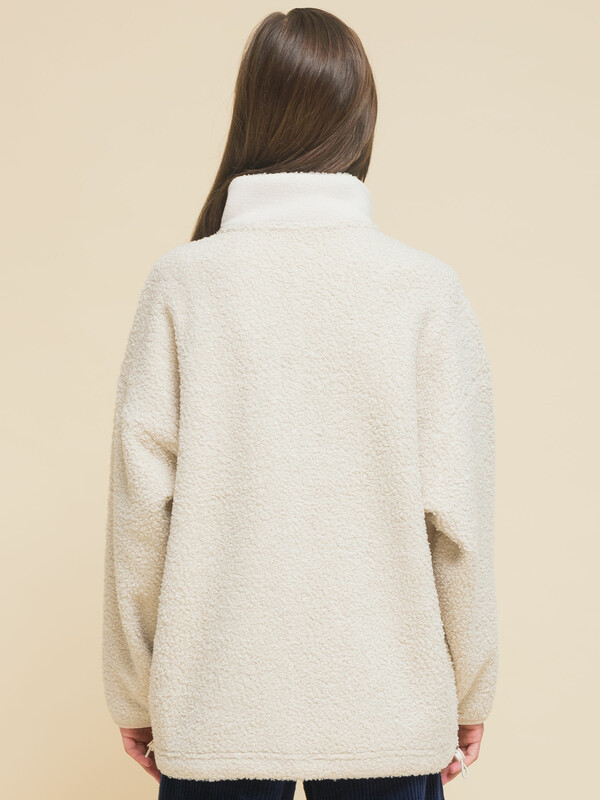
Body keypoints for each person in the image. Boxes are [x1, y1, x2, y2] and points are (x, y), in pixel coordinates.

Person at [102, 8, 499, 800]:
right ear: (361, 120)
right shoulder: (424, 290)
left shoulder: (183, 283)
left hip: (215, 707)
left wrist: (136, 692)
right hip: (388, 709)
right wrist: (469, 690)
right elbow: (460, 522)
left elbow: (140, 517)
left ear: (250, 116)